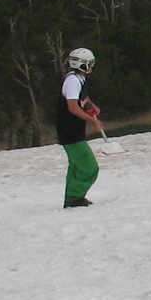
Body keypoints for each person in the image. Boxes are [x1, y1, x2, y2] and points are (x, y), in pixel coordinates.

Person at [57, 47, 101, 207]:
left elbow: (82, 97)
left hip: (74, 130)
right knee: (89, 166)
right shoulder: (72, 81)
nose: (91, 67)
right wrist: (93, 120)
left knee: (75, 165)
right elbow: (72, 107)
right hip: (69, 131)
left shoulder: (79, 79)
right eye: (89, 64)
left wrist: (91, 105)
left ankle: (72, 198)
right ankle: (75, 197)